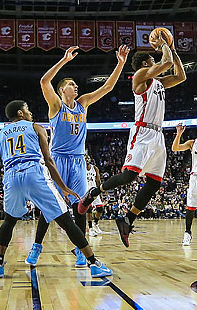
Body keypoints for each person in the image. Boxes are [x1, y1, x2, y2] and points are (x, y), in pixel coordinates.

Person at [0, 100, 110, 278]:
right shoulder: (36, 128)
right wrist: (63, 187)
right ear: (20, 113)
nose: (30, 112)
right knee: (66, 220)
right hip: (34, 173)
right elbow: (49, 161)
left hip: (11, 176)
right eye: (27, 109)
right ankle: (93, 263)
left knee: (9, 221)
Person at [25, 44, 130, 268]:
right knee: (50, 206)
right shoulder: (56, 106)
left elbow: (108, 88)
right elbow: (44, 82)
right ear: (62, 90)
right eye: (71, 84)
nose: (76, 86)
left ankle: (81, 249)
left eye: (75, 84)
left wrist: (120, 63)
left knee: (82, 205)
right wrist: (64, 60)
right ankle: (36, 247)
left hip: (78, 160)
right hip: (57, 160)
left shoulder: (83, 104)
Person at [78, 36, 186, 248]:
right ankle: (94, 193)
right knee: (129, 176)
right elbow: (166, 64)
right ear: (146, 64)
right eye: (152, 61)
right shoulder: (140, 77)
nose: (156, 63)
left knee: (155, 182)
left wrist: (172, 48)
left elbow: (180, 76)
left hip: (158, 135)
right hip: (143, 132)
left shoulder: (159, 83)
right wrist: (164, 45)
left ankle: (127, 219)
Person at [84, 155, 102, 237]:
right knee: (89, 209)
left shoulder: (95, 168)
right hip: (85, 191)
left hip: (94, 190)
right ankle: (90, 228)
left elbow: (98, 180)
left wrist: (100, 190)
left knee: (100, 209)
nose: (86, 161)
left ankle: (96, 223)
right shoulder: (81, 168)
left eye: (87, 159)